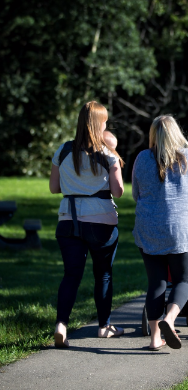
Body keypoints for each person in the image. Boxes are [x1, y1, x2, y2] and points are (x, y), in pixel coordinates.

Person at [132, 115, 188, 350]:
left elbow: (136, 194)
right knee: (183, 280)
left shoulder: (142, 158)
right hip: (179, 230)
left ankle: (155, 338)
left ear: (153, 135)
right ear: (177, 133)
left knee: (156, 282)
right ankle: (170, 319)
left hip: (148, 229)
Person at [49, 101, 125, 348]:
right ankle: (104, 327)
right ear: (98, 123)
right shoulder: (107, 154)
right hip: (100, 221)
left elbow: (54, 188)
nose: (106, 124)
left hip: (68, 220)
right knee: (102, 274)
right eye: (104, 121)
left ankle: (61, 324)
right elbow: (119, 191)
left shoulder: (63, 150)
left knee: (71, 275)